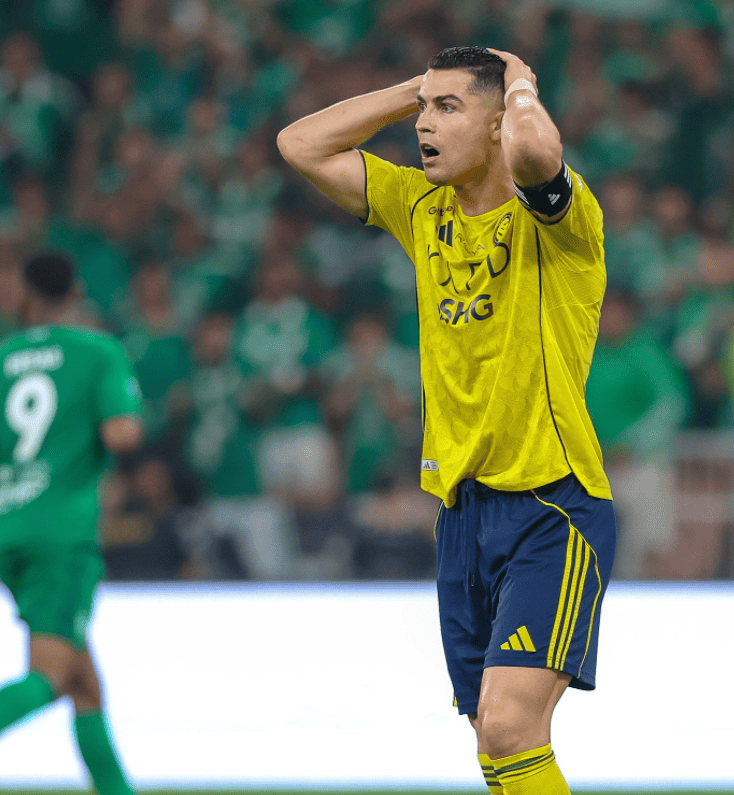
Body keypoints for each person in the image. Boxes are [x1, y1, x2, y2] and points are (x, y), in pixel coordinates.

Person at [278, 46, 615, 795]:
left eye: (447, 109)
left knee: (508, 725)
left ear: (498, 125)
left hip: (551, 504)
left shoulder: (558, 221)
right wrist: (414, 88)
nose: (423, 125)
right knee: (495, 744)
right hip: (460, 512)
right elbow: (300, 144)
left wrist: (519, 83)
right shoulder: (419, 206)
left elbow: (537, 154)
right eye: (423, 110)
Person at [0, 252, 144, 795]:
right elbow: (122, 434)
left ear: (24, 296)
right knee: (51, 674)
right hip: (64, 533)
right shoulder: (98, 352)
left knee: (84, 687)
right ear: (76, 294)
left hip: (8, 527)